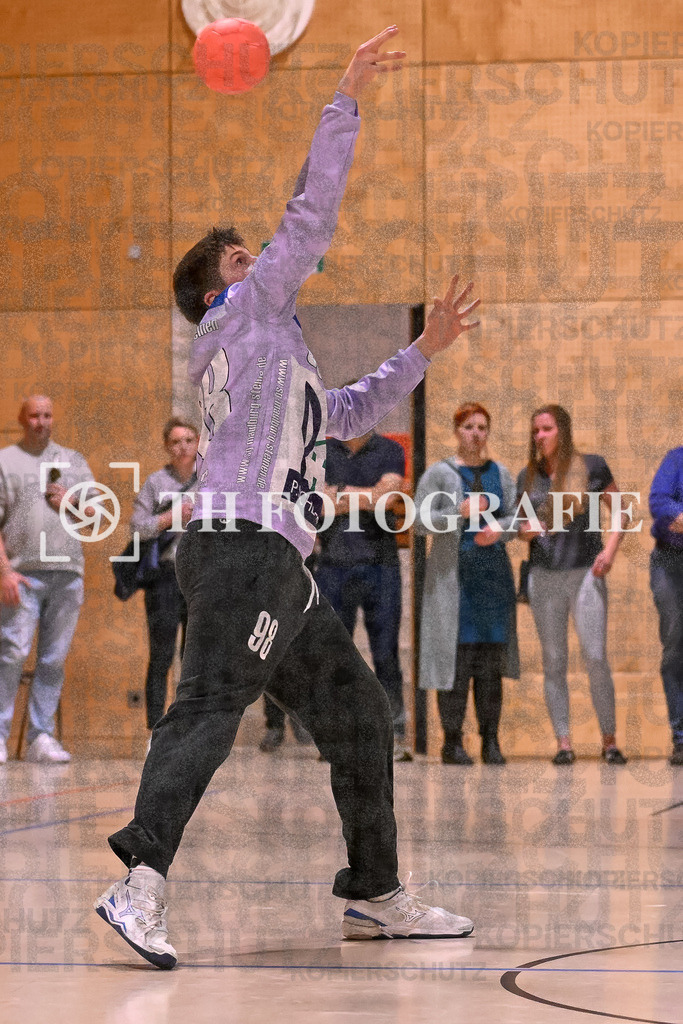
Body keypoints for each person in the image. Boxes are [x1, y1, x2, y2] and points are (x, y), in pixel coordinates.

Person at [95, 28, 482, 970]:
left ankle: (376, 893)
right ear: (218, 288)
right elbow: (308, 219)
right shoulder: (241, 314)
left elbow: (345, 414)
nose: (260, 258)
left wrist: (422, 351)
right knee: (208, 706)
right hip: (239, 546)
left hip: (281, 566)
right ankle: (138, 883)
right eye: (242, 256)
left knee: (357, 715)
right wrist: (345, 97)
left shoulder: (280, 351)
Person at [516, 404, 627, 765]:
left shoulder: (592, 466)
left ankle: (609, 741)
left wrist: (610, 551)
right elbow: (521, 526)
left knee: (595, 657)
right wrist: (526, 530)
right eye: (535, 430)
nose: (540, 436)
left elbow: (622, 510)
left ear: (562, 431)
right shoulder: (528, 476)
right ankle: (563, 743)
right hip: (544, 576)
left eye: (546, 429)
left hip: (585, 574)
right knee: (553, 661)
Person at [414, 403, 518, 766]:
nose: (476, 433)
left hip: (492, 584)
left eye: (482, 427)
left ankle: (491, 741)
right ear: (457, 430)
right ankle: (452, 742)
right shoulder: (438, 473)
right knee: (455, 666)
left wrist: (500, 529)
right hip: (453, 584)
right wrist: (457, 514)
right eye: (469, 426)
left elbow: (516, 518)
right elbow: (419, 522)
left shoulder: (501, 473)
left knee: (490, 668)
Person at [0, 395, 94, 764]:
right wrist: (5, 571)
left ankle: (41, 736)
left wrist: (70, 500)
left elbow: (95, 517)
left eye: (47, 415)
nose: (41, 422)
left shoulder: (73, 461)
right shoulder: (6, 461)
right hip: (21, 576)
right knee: (12, 654)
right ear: (22, 419)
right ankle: (0, 735)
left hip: (67, 574)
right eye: (35, 415)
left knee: (53, 660)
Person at [316, 428, 412, 762]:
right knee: (333, 657)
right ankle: (335, 737)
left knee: (386, 654)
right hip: (332, 565)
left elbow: (385, 500)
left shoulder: (390, 450)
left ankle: (394, 735)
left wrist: (339, 494)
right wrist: (369, 495)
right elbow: (317, 505)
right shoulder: (321, 452)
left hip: (381, 566)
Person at [131, 418, 198, 739]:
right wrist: (171, 516)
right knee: (161, 654)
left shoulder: (212, 482)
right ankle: (155, 729)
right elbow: (138, 527)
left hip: (201, 577)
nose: (182, 447)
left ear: (198, 444)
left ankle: (190, 727)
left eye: (188, 440)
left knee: (195, 656)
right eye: (175, 441)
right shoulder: (156, 483)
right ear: (166, 447)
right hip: (166, 577)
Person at [648, 447, 683, 766]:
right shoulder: (676, 459)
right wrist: (678, 515)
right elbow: (658, 502)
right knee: (675, 644)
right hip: (671, 561)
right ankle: (681, 737)